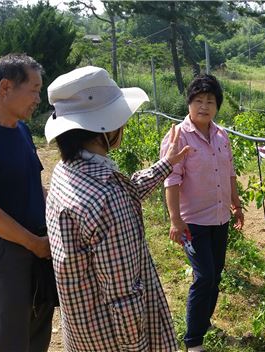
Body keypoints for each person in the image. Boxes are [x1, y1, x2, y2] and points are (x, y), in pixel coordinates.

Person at [44, 66, 189, 351]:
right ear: (105, 128)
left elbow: (128, 189)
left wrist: (166, 164)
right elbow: (124, 296)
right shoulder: (107, 199)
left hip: (84, 331)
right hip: (115, 340)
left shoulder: (66, 172)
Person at [161, 74, 244, 352]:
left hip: (219, 217)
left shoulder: (221, 135)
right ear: (189, 103)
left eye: (210, 101)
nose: (204, 107)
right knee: (204, 276)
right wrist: (175, 220)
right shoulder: (177, 136)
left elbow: (229, 173)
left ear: (217, 105)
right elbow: (170, 180)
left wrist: (236, 203)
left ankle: (203, 320)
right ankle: (193, 341)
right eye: (198, 101)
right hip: (192, 221)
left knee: (216, 273)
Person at [0, 53, 56, 352]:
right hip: (8, 255)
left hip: (39, 246)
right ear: (6, 87)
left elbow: (36, 184)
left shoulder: (21, 130)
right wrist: (32, 243)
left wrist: (52, 229)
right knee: (12, 337)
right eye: (33, 89)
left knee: (39, 327)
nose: (38, 98)